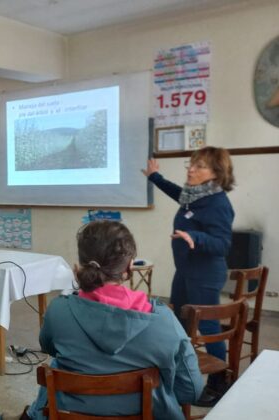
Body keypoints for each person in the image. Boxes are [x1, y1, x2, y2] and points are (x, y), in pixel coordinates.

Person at [25, 221, 203, 419]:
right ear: (129, 266)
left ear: (80, 266)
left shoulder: (58, 310)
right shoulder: (163, 320)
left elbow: (49, 348)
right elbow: (192, 390)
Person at [142, 146, 235, 406]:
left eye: (200, 166)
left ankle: (220, 383)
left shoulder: (217, 203)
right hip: (186, 271)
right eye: (191, 164)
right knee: (179, 324)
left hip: (205, 275)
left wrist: (196, 237)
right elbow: (178, 194)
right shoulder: (195, 196)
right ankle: (183, 374)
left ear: (216, 173)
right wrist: (155, 178)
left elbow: (223, 244)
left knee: (207, 327)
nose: (191, 169)